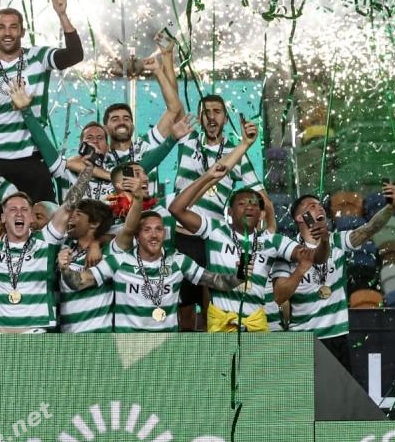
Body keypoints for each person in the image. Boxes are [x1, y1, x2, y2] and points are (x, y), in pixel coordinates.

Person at [169, 119, 303, 333]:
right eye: (241, 204)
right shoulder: (216, 232)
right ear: (229, 213)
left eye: (254, 204)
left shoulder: (271, 241)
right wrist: (208, 176)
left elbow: (306, 255)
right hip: (222, 327)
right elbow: (176, 209)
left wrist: (315, 250)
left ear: (260, 214)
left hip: (260, 327)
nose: (249, 207)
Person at [69, 182, 243, 332]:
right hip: (128, 348)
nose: (154, 235)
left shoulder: (178, 261)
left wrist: (240, 275)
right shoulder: (119, 260)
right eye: (147, 230)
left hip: (166, 347)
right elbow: (80, 282)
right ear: (137, 236)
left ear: (164, 233)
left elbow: (217, 282)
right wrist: (64, 269)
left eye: (158, 229)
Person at [0, 0, 84, 202]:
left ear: (22, 31)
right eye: (1, 27)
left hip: (33, 160)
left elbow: (75, 54)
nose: (7, 33)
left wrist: (62, 15)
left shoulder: (38, 57)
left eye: (13, 27)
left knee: (44, 216)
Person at [270, 183, 395, 362]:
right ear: (300, 217)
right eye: (312, 206)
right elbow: (279, 296)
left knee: (339, 383)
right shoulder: (288, 251)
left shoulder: (337, 241)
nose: (319, 208)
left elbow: (369, 228)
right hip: (304, 338)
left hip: (337, 336)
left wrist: (390, 208)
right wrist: (301, 269)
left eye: (320, 205)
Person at [0, 188, 75, 333]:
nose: (19, 213)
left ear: (30, 217)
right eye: (13, 209)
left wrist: (86, 175)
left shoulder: (47, 241)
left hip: (34, 332)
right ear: (3, 217)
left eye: (24, 209)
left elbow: (68, 207)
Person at [98, 35, 185, 199]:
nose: (122, 122)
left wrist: (159, 69)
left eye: (126, 118)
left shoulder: (145, 144)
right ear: (105, 128)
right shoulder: (101, 158)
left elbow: (174, 108)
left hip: (149, 213)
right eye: (115, 119)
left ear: (132, 125)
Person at [57, 199, 113, 334]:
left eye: (78, 214)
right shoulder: (66, 247)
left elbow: (79, 283)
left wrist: (65, 269)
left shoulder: (107, 253)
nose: (71, 216)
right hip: (68, 335)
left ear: (94, 223)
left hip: (97, 338)